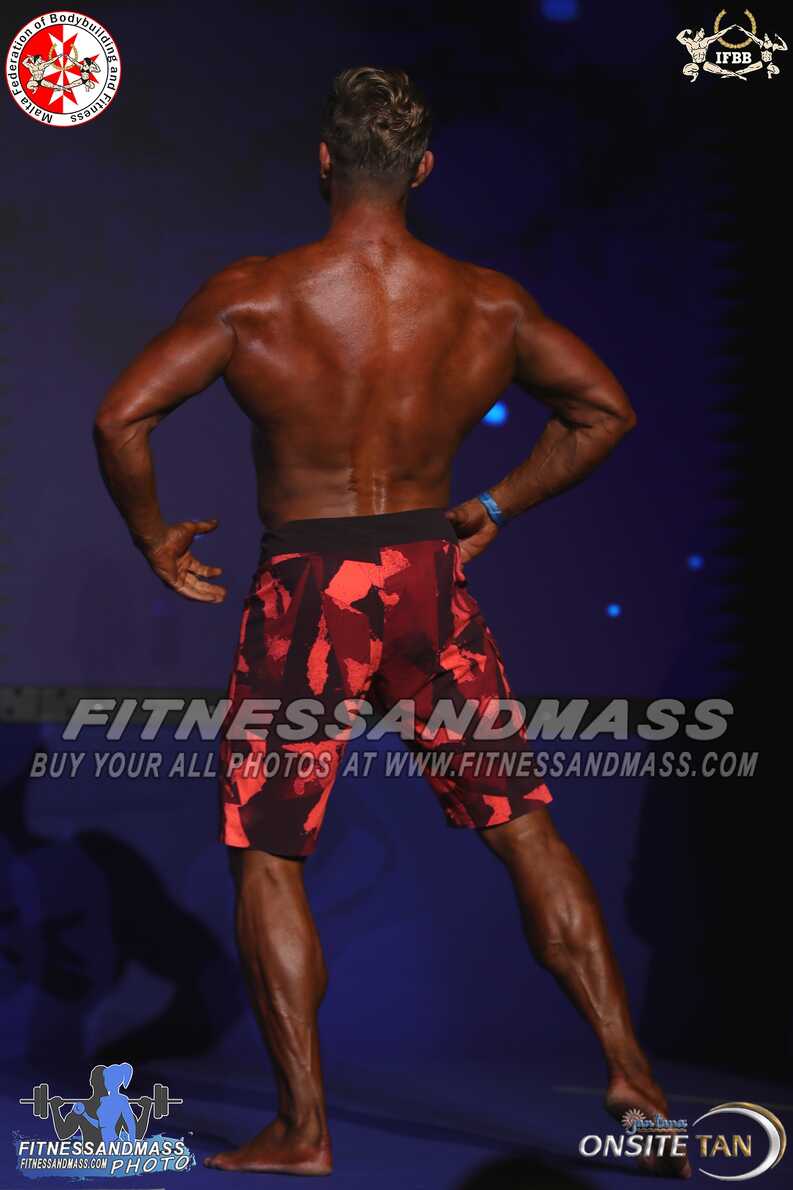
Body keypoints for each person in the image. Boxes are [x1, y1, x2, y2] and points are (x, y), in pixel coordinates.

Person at [94, 67, 688, 1178]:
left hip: (309, 589)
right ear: (422, 170)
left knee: (270, 856)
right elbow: (604, 411)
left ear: (324, 162)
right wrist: (495, 504)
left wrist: (154, 537)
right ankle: (635, 1086)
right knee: (523, 827)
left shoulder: (254, 296)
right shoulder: (488, 304)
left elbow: (120, 416)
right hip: (427, 580)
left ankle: (303, 1131)